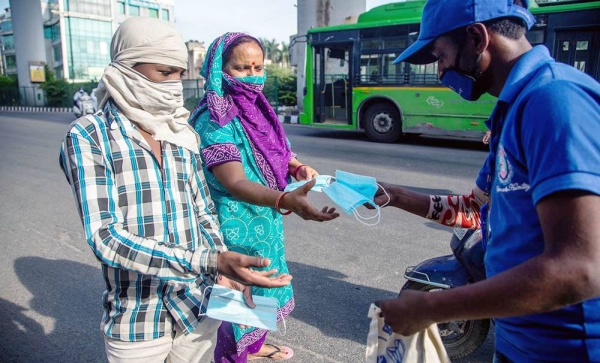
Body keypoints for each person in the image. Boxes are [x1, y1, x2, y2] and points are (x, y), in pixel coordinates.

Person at [373, 0, 600, 361]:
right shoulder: (511, 111)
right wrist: (395, 195)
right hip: (518, 339)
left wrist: (433, 308)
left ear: (477, 39)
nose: (438, 71)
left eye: (440, 55)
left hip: (566, 349)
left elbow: (580, 269)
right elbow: (473, 207)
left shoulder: (554, 100)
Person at [59, 18, 291, 363]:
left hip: (198, 307)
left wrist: (219, 271)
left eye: (179, 75)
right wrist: (211, 261)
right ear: (127, 69)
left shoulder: (180, 132)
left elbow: (203, 213)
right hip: (139, 319)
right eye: (164, 72)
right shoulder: (88, 136)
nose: (174, 86)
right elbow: (106, 237)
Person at [189, 32, 340, 362]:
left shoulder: (259, 109)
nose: (253, 75)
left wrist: (298, 167)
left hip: (264, 216)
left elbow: (276, 151)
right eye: (242, 67)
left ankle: (253, 349)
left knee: (262, 287)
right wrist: (285, 201)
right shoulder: (214, 118)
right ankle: (232, 357)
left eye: (258, 67)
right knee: (235, 293)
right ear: (220, 69)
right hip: (231, 223)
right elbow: (234, 181)